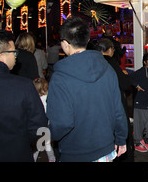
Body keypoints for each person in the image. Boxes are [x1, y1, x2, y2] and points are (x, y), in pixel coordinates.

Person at [46, 17, 128, 162]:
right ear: (88, 39)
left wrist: (48, 134)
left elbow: (62, 122)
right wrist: (121, 138)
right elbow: (118, 110)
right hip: (106, 150)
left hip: (75, 153)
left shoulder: (60, 78)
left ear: (65, 44)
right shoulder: (108, 69)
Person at [0, 29, 48, 161]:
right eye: (13, 52)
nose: (16, 56)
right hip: (16, 152)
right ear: (1, 56)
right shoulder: (23, 86)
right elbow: (39, 125)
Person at [96, 37, 135, 162]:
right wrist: (125, 76)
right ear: (109, 50)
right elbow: (124, 84)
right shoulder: (110, 62)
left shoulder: (94, 62)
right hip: (114, 104)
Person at [130, 53, 148, 153]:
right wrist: (136, 85)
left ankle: (144, 140)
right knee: (139, 125)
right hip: (140, 103)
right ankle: (137, 143)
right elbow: (129, 77)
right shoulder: (141, 72)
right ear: (145, 62)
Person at [33, 78, 56, 162]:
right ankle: (52, 158)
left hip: (38, 125)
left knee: (38, 146)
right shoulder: (49, 98)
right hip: (47, 125)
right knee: (47, 143)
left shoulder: (34, 100)